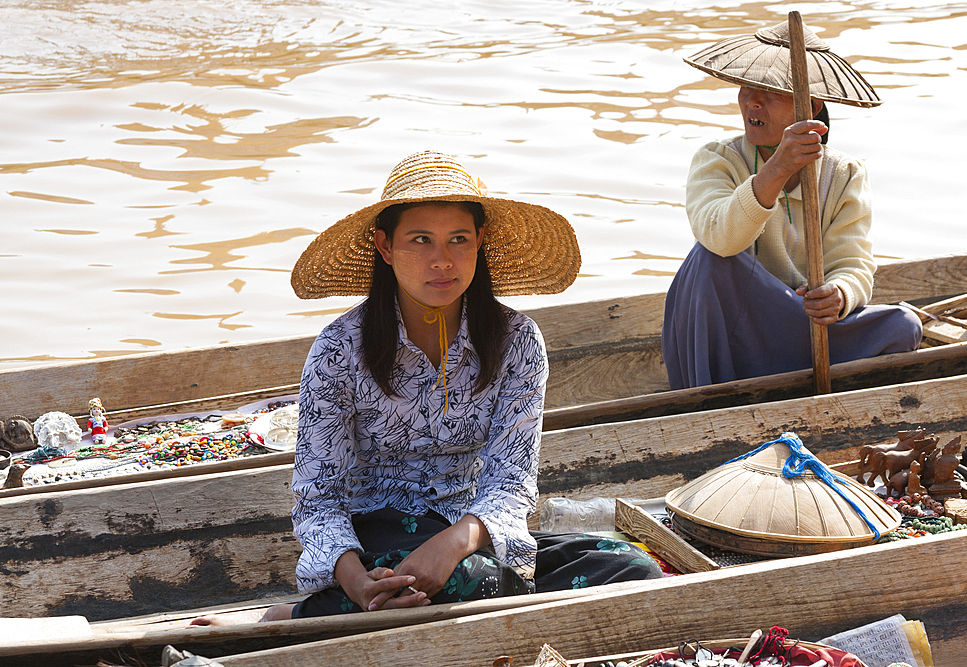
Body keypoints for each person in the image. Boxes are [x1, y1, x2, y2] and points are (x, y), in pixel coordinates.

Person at [192, 150, 663, 626]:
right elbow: (319, 498)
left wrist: (454, 542)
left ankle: (331, 616)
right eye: (421, 240)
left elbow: (509, 484)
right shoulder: (340, 349)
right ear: (385, 246)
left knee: (633, 567)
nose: (442, 261)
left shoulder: (517, 341)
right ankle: (297, 618)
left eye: (459, 239)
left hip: (471, 535)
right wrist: (357, 581)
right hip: (374, 543)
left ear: (480, 242)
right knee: (469, 582)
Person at [661, 20, 922, 389]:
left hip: (797, 324)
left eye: (770, 92)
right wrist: (778, 167)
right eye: (747, 89)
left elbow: (853, 263)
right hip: (734, 329)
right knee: (708, 262)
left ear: (810, 106)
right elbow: (719, 238)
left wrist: (839, 294)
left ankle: (805, 387)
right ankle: (714, 399)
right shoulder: (717, 159)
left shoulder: (844, 173)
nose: (752, 101)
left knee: (903, 326)